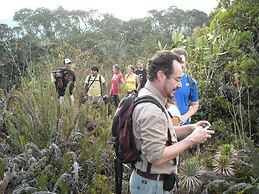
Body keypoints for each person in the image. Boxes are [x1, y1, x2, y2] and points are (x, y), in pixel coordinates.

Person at [130, 51, 214, 194]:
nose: (180, 85)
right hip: (151, 186)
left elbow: (161, 132)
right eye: (177, 79)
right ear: (161, 75)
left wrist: (190, 128)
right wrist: (192, 139)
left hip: (151, 182)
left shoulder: (151, 97)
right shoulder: (152, 111)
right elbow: (156, 157)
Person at [171, 48, 199, 125]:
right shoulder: (163, 79)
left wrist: (185, 117)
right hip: (166, 126)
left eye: (182, 62)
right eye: (177, 62)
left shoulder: (190, 81)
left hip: (184, 126)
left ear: (186, 62)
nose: (179, 65)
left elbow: (195, 104)